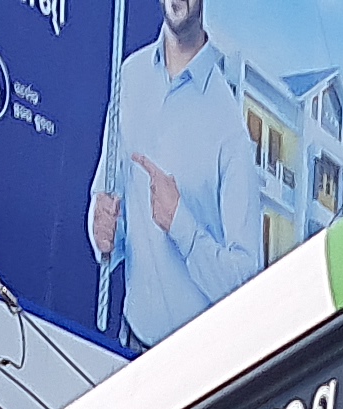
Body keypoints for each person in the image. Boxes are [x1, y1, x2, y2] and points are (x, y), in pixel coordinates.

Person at [87, 0, 261, 350]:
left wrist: (181, 224)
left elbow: (247, 279)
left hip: (199, 367)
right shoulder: (130, 78)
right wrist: (100, 227)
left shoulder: (229, 126)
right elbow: (107, 206)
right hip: (131, 345)